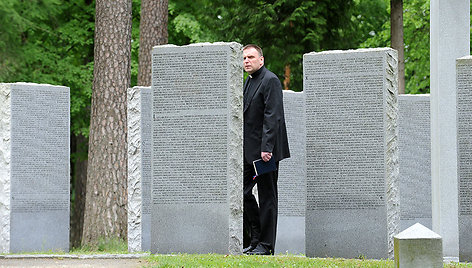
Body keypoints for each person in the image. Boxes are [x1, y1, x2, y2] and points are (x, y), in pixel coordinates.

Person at [242, 44, 290, 255]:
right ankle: (254, 239)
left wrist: (267, 148)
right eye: (244, 58)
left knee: (267, 196)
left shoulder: (270, 80)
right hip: (248, 153)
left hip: (265, 153)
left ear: (261, 60)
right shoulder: (248, 82)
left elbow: (273, 115)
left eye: (251, 57)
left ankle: (266, 245)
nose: (247, 61)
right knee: (243, 194)